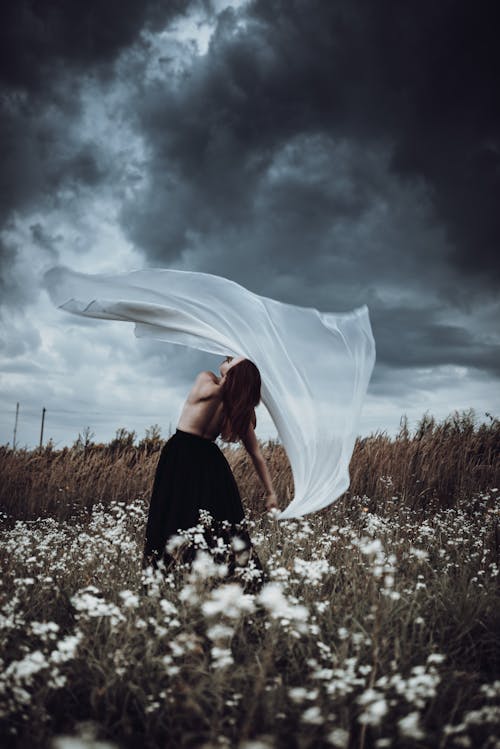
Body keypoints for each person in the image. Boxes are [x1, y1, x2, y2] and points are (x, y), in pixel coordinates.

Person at [142, 355, 277, 592]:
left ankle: (169, 580)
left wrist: (230, 380)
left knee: (173, 517)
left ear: (235, 374)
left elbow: (215, 390)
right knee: (215, 525)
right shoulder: (237, 410)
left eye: (232, 359)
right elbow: (256, 454)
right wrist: (270, 493)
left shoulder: (206, 379)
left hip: (181, 455)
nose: (226, 357)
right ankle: (218, 580)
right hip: (209, 462)